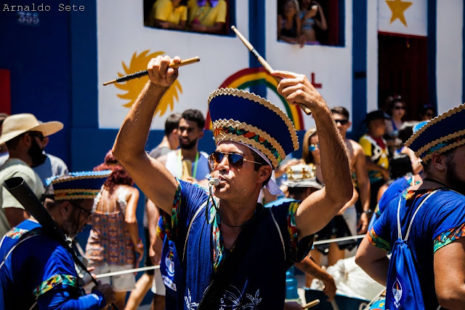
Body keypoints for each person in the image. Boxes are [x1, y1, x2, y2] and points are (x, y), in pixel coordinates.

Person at [112, 55, 352, 309]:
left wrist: (321, 113)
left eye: (235, 159)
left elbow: (338, 195)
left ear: (263, 175)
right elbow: (128, 154)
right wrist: (155, 87)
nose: (221, 165)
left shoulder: (281, 225)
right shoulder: (190, 208)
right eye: (217, 157)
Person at [356, 103, 465, 309]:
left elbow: (365, 258)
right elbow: (452, 293)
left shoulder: (399, 203)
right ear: (439, 161)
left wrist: (410, 291)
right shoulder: (455, 205)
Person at [0, 171, 115, 309]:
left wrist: (74, 283)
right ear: (65, 208)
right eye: (85, 213)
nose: (88, 221)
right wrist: (99, 297)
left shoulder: (16, 232)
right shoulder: (52, 251)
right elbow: (59, 307)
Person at [125, 112, 181, 310]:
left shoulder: (158, 152)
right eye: (181, 131)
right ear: (175, 132)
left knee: (158, 281)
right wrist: (154, 237)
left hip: (157, 225)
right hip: (157, 227)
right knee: (152, 277)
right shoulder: (163, 155)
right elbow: (152, 198)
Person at [85, 151, 143, 310]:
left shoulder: (95, 191)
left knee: (97, 301)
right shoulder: (130, 192)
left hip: (95, 253)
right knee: (118, 302)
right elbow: (130, 219)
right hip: (122, 255)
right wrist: (137, 244)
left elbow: (86, 218)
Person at [301, 128, 358, 267]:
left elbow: (353, 193)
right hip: (314, 222)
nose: (316, 149)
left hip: (336, 222)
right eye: (312, 146)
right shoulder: (303, 168)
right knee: (313, 271)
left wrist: (340, 208)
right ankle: (312, 290)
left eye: (320, 144)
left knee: (335, 269)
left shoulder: (338, 166)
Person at [0, 113, 62, 236]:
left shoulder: (6, 170)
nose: (43, 143)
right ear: (27, 139)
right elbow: (16, 218)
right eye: (39, 136)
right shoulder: (22, 172)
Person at [281, 163, 337, 301]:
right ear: (308, 191)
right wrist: (327, 279)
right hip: (282, 294)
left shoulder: (273, 208)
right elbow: (299, 258)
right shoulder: (297, 215)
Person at [331, 106, 371, 233]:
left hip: (347, 204)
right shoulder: (318, 145)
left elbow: (363, 182)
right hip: (321, 204)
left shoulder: (356, 149)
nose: (338, 125)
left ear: (348, 124)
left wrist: (365, 212)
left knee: (348, 250)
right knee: (318, 250)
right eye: (334, 121)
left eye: (342, 122)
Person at [159, 108, 210, 186]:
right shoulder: (164, 162)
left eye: (190, 130)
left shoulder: (209, 163)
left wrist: (199, 186)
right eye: (182, 129)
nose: (184, 134)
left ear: (200, 134)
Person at [359, 110, 390, 213]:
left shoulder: (382, 140)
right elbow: (365, 163)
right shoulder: (366, 140)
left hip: (381, 181)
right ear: (375, 124)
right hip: (372, 183)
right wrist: (383, 170)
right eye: (383, 123)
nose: (385, 126)